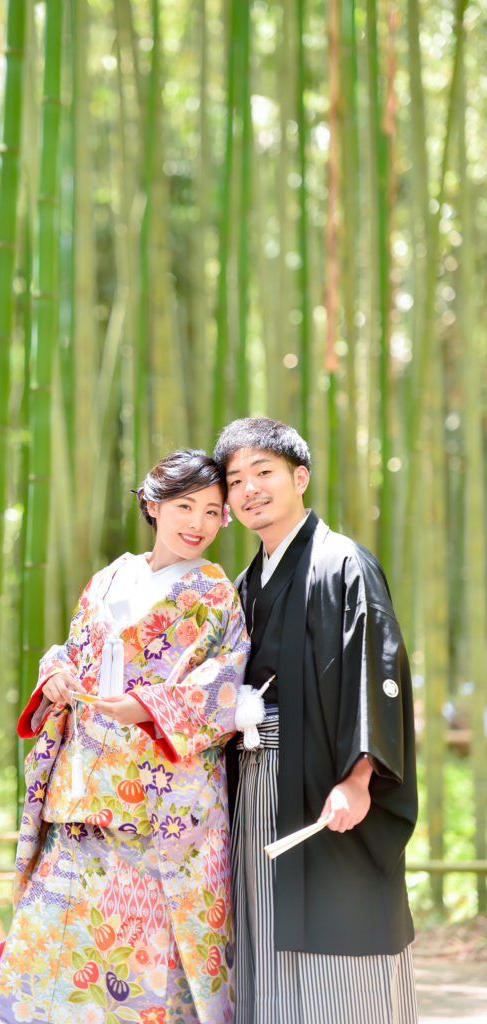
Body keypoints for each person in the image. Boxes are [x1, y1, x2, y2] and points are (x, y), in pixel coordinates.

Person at [0, 449, 250, 1024]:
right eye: (185, 507)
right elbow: (70, 650)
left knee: (145, 960)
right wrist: (56, 675)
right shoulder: (107, 577)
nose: (198, 523)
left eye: (212, 511)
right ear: (152, 505)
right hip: (82, 792)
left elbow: (226, 681)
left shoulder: (214, 592)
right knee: (54, 942)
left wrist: (149, 706)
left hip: (159, 808)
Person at [213, 417, 418, 1024]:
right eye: (235, 480)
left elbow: (376, 670)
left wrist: (358, 778)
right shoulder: (245, 583)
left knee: (339, 937)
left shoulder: (343, 564)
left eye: (264, 472)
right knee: (264, 930)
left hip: (326, 777)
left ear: (300, 477)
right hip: (257, 782)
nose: (249, 489)